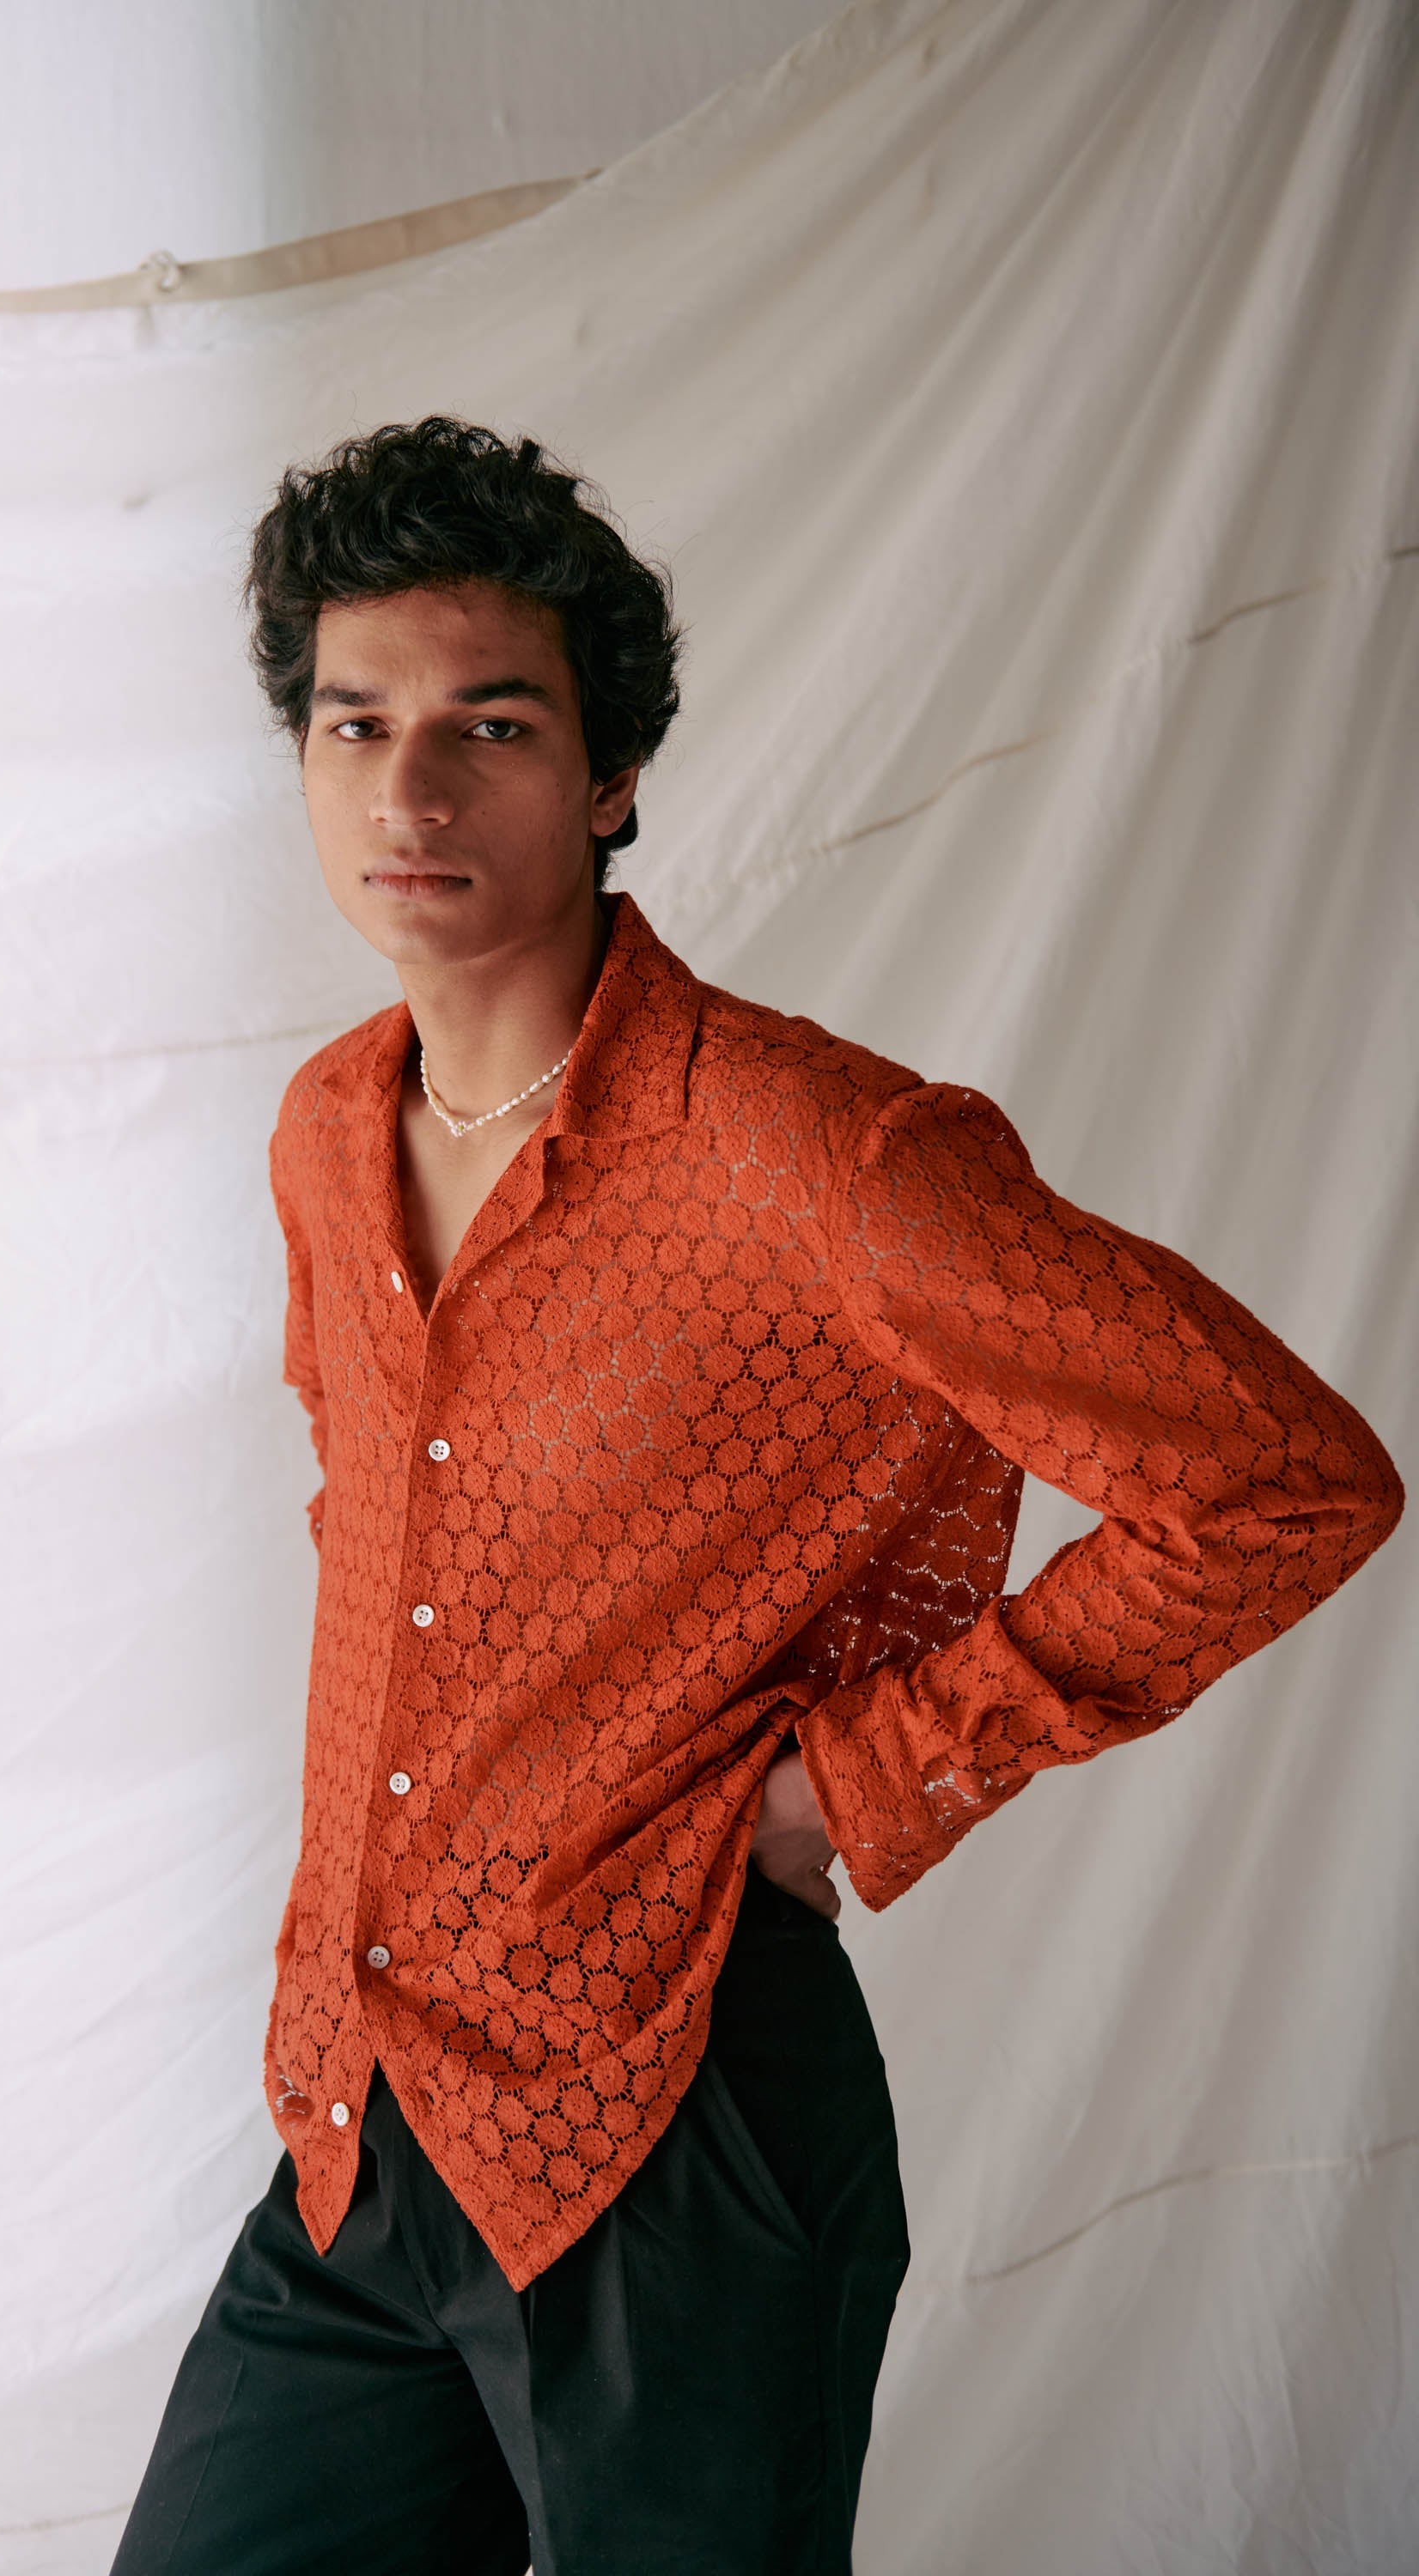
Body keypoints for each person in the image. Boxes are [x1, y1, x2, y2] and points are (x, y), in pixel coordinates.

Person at [110, 416, 1403, 2576]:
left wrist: (860, 1784)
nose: (408, 793)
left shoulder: (818, 1156)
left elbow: (1280, 1480)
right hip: (360, 2121)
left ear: (610, 776)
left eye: (489, 726)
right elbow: (378, 1539)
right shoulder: (327, 1132)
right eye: (354, 724)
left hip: (677, 2115)